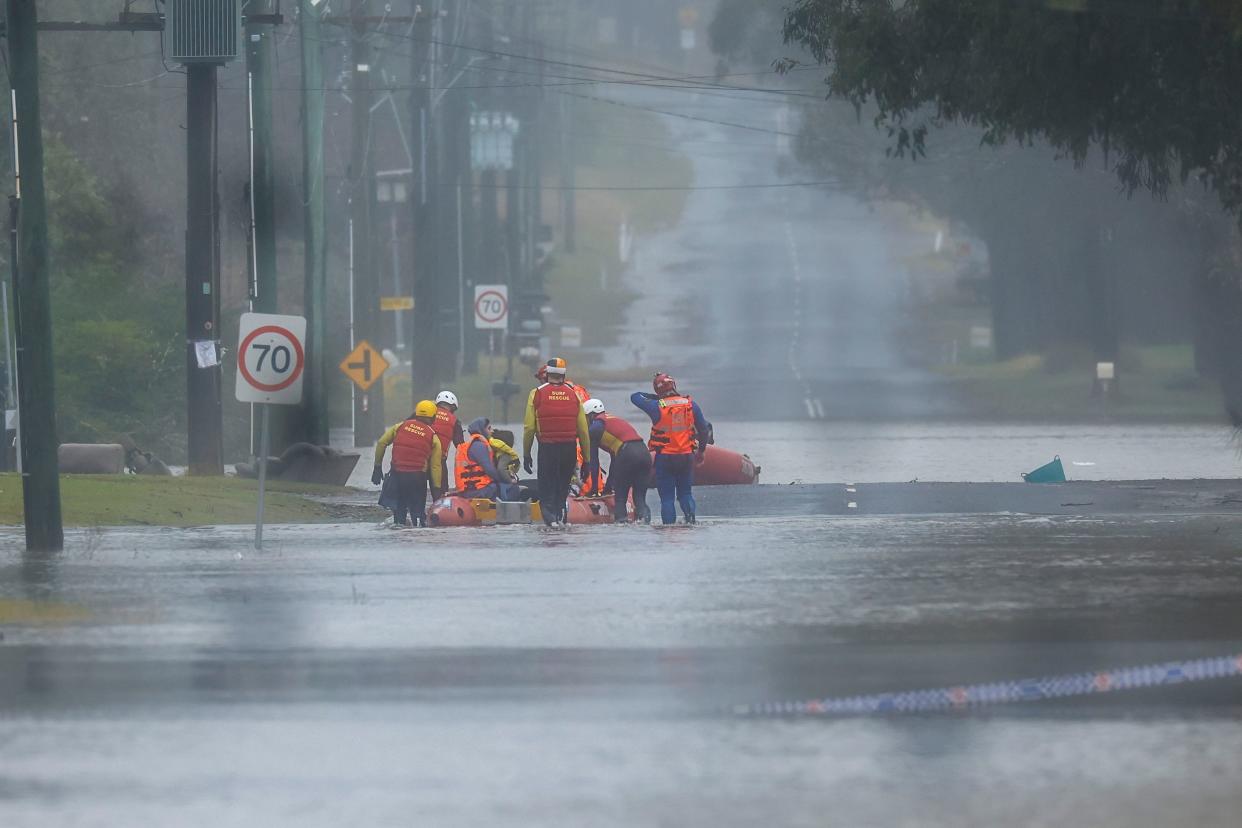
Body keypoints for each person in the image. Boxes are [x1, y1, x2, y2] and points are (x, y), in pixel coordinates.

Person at [631, 373, 710, 525]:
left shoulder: (656, 406)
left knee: (667, 499)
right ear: (674, 385)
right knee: (686, 494)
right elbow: (704, 430)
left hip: (665, 458)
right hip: (686, 456)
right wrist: (701, 451)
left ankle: (668, 529)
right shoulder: (690, 404)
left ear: (657, 390)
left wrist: (656, 397)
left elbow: (635, 396)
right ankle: (691, 522)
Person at [523, 357, 590, 527]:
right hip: (569, 449)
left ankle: (550, 520)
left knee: (546, 489)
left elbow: (529, 428)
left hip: (547, 449)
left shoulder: (536, 393)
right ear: (564, 374)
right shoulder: (574, 394)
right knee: (562, 487)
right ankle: (560, 517)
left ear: (547, 374)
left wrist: (526, 453)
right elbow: (583, 430)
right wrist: (587, 460)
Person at [372, 400, 444, 527]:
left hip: (396, 476)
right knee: (418, 517)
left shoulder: (399, 426)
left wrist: (377, 467)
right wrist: (437, 490)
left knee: (399, 515)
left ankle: (399, 536)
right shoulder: (433, 437)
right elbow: (435, 467)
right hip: (417, 479)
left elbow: (381, 443)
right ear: (433, 417)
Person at [582, 398, 651, 523]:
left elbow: (594, 462)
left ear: (591, 415)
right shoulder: (613, 419)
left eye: (585, 418)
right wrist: (608, 488)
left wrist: (594, 491)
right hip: (644, 452)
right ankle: (645, 525)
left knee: (620, 498)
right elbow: (615, 461)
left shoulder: (595, 428)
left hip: (627, 453)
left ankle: (621, 527)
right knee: (640, 498)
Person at [455, 417, 521, 501]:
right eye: (489, 428)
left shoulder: (472, 444)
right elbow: (490, 471)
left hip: (470, 490)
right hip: (479, 490)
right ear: (481, 429)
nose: (492, 431)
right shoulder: (479, 446)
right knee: (513, 489)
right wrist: (507, 480)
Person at [431, 390, 465, 488]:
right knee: (441, 490)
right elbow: (460, 445)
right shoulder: (454, 421)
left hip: (421, 459)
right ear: (453, 406)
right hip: (439, 460)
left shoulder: (427, 413)